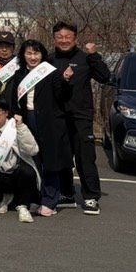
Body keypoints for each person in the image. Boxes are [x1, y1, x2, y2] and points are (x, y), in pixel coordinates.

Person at [5, 39, 73, 217]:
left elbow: (62, 97)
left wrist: (66, 80)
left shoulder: (51, 73)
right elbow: (13, 99)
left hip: (50, 122)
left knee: (50, 162)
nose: (32, 57)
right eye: (29, 53)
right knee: (32, 162)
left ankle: (50, 200)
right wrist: (16, 114)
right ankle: (35, 197)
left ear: (42, 55)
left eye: (36, 53)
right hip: (27, 121)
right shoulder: (19, 74)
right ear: (23, 55)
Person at [48, 21, 109, 215]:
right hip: (58, 116)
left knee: (85, 157)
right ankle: (67, 194)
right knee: (62, 157)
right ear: (54, 39)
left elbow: (104, 77)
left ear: (75, 39)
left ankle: (91, 197)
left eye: (68, 37)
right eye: (60, 37)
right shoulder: (48, 60)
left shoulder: (85, 58)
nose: (64, 40)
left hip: (81, 116)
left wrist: (94, 55)